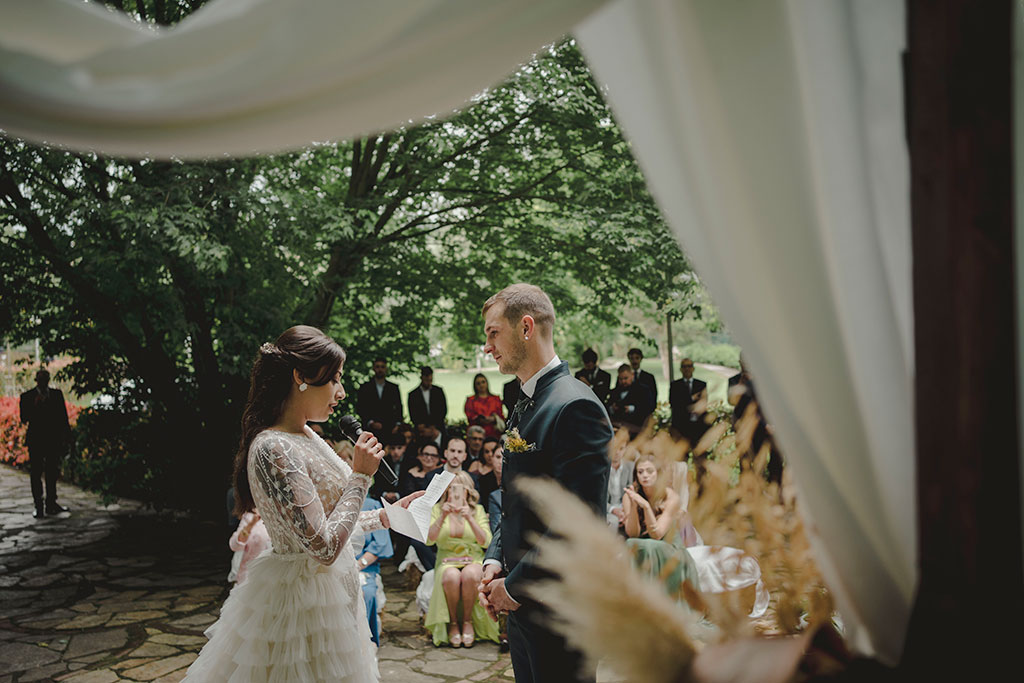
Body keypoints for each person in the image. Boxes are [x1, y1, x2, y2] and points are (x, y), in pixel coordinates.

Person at [183, 326, 423, 682]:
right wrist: (360, 477)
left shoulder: (308, 434)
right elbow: (323, 546)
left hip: (335, 593)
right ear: (300, 376)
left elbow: (330, 521)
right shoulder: (273, 447)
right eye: (334, 380)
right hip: (302, 605)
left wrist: (387, 516)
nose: (341, 393)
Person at [478, 283, 612, 683]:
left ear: (526, 328)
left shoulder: (575, 405)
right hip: (524, 608)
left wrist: (513, 587)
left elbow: (579, 524)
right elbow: (516, 500)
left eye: (492, 332)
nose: (487, 346)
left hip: (561, 610)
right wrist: (494, 559)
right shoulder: (524, 402)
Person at [425, 471, 499, 647]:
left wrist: (469, 518)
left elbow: (486, 542)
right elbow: (429, 540)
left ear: (467, 491)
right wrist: (443, 516)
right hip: (446, 561)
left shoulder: (477, 510)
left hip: (472, 558)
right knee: (451, 576)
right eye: (451, 488)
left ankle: (467, 621)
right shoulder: (437, 509)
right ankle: (452, 623)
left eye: (459, 489)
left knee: (471, 575)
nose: (455, 493)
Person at [622, 453, 701, 600]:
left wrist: (645, 506)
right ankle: (635, 601)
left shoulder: (671, 497)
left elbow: (656, 534)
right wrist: (633, 505)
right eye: (640, 472)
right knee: (630, 543)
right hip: (645, 545)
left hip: (670, 547)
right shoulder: (630, 495)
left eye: (650, 471)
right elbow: (633, 533)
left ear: (658, 473)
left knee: (649, 545)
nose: (645, 475)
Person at [19, 368, 72, 518]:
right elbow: (24, 418)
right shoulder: (27, 396)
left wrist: (67, 437)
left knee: (52, 472)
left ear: (48, 380)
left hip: (52, 440)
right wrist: (34, 406)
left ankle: (51, 503)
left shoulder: (56, 395)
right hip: (36, 440)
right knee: (36, 473)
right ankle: (38, 505)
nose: (42, 383)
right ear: (36, 381)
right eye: (40, 380)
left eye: (44, 380)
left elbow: (63, 418)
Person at [395, 440, 442, 571]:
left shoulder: (441, 475)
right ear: (419, 456)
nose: (429, 458)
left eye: (433, 455)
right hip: (416, 513)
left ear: (439, 458)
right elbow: (407, 495)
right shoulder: (411, 473)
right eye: (426, 454)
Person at [358, 497, 394, 646]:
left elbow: (380, 543)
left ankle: (367, 641)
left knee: (367, 593)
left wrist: (358, 565)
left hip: (365, 567)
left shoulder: (371, 505)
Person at [356, 357, 403, 433]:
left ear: (386, 369)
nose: (380, 370)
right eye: (377, 367)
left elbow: (399, 407)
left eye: (382, 367)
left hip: (390, 428)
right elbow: (361, 407)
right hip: (370, 429)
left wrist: (397, 425)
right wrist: (370, 422)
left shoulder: (393, 388)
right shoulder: (365, 388)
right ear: (373, 368)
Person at [669, 358, 708, 444]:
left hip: (697, 425)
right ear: (680, 369)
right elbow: (674, 403)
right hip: (680, 425)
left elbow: (703, 405)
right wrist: (690, 399)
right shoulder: (675, 385)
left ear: (693, 368)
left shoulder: (701, 385)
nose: (687, 369)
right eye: (684, 366)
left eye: (689, 366)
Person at [607, 364, 655, 434]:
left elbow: (649, 408)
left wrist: (632, 409)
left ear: (632, 375)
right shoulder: (615, 392)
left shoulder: (643, 390)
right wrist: (612, 408)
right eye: (621, 379)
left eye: (626, 378)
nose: (623, 381)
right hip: (617, 426)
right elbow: (607, 406)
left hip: (637, 427)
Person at [227, 511, 270, 585]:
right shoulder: (249, 517)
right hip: (250, 575)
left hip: (274, 573)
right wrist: (251, 525)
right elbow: (235, 545)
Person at [606, 431, 635, 532]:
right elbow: (597, 496)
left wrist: (625, 512)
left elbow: (633, 492)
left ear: (626, 449)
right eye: (614, 447)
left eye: (621, 448)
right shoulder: (601, 469)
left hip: (625, 509)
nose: (617, 452)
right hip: (608, 510)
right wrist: (613, 509)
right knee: (613, 521)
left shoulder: (631, 467)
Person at [408, 366, 448, 436]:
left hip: (437, 426)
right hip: (420, 427)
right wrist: (420, 424)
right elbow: (412, 412)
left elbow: (443, 409)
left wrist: (434, 425)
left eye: (430, 380)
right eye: (426, 380)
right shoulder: (413, 394)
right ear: (421, 377)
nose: (428, 382)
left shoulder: (438, 391)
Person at [465, 374, 505, 439]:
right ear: (475, 386)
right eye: (478, 383)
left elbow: (501, 415)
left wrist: (493, 419)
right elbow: (470, 416)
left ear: (487, 383)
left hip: (494, 432)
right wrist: (481, 419)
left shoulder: (496, 399)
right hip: (476, 433)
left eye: (483, 382)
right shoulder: (471, 400)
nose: (481, 385)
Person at [471, 437, 500, 510]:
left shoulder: (512, 480)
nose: (500, 461)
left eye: (502, 457)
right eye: (498, 457)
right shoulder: (483, 480)